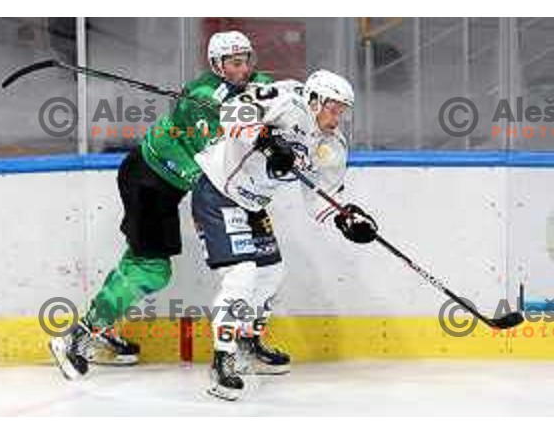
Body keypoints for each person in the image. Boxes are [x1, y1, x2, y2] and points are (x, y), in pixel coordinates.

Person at [49, 31, 273, 380]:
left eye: (246, 60)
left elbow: (272, 88)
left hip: (165, 186)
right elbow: (218, 154)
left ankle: (102, 325)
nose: (243, 69)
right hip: (149, 181)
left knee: (138, 260)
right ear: (216, 65)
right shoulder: (200, 98)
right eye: (234, 63)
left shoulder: (248, 81)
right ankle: (75, 338)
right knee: (151, 269)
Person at [191, 70, 378, 400]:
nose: (337, 117)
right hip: (219, 190)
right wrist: (263, 138)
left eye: (342, 110)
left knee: (270, 273)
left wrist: (345, 218)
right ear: (315, 99)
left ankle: (247, 339)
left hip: (253, 204)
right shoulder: (287, 99)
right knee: (242, 274)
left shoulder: (331, 145)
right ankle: (223, 359)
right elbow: (231, 112)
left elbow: (321, 195)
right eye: (333, 108)